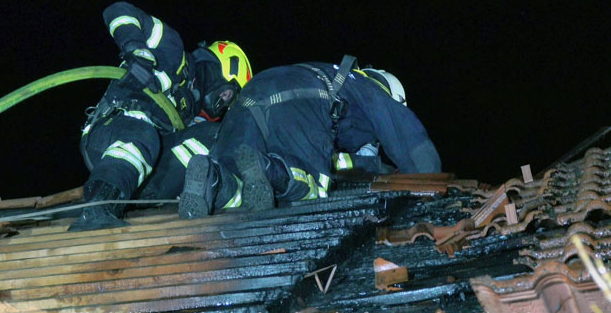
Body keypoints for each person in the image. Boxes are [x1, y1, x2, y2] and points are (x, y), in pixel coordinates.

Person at [178, 55, 441, 219]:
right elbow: (413, 143)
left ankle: (212, 178)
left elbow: (353, 164)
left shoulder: (337, 81)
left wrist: (377, 169)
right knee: (311, 188)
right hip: (300, 98)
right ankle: (270, 169)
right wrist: (432, 191)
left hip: (251, 93)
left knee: (234, 175)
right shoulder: (370, 89)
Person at [69, 1, 252, 231]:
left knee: (214, 136)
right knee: (144, 132)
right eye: (227, 94)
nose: (223, 103)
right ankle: (97, 209)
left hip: (146, 173)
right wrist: (137, 50)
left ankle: (221, 197)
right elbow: (117, 10)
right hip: (110, 132)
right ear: (218, 68)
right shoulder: (171, 50)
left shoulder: (188, 114)